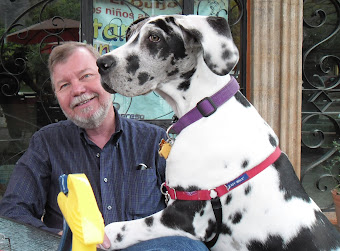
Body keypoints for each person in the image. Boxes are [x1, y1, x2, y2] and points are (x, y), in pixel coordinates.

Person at [0, 42, 209, 250]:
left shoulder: (155, 141)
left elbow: (190, 211)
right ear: (57, 97)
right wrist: (60, 239)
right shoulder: (46, 143)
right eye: (64, 85)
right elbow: (13, 213)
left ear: (108, 80)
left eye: (86, 76)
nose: (78, 90)